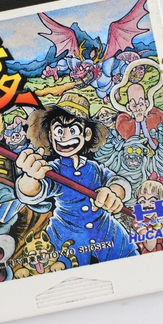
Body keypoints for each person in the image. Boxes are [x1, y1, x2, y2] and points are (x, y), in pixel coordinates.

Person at [16, 93, 138, 266]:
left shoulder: (94, 168)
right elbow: (33, 191)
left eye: (72, 130)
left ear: (87, 134)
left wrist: (113, 193)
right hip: (66, 239)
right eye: (59, 131)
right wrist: (30, 177)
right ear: (50, 135)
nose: (64, 137)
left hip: (107, 233)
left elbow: (118, 181)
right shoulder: (53, 170)